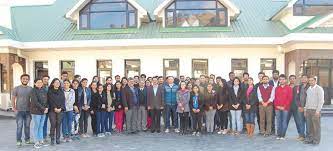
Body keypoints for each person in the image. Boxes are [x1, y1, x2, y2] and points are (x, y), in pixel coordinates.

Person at [12, 74, 33, 146]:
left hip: (28, 111)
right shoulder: (16, 88)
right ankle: (18, 140)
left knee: (27, 126)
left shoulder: (30, 89)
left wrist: (32, 109)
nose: (25, 80)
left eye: (26, 79)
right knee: (19, 126)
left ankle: (27, 140)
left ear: (28, 80)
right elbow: (13, 99)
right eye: (23, 79)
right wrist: (14, 108)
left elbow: (33, 100)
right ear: (21, 79)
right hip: (19, 111)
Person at [304, 76, 324, 145]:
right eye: (309, 80)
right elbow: (307, 100)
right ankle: (310, 139)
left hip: (315, 110)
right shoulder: (308, 89)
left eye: (312, 80)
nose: (310, 82)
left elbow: (321, 101)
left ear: (315, 81)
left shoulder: (319, 89)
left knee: (316, 127)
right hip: (308, 110)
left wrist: (318, 111)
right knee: (309, 126)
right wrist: (305, 110)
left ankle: (316, 140)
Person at [30, 78, 48, 149]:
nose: (40, 83)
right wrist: (43, 108)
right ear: (35, 83)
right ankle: (36, 141)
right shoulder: (33, 91)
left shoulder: (44, 90)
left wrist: (47, 108)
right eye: (38, 82)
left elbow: (47, 100)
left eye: (41, 82)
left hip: (44, 111)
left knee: (41, 126)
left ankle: (41, 140)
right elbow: (35, 101)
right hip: (36, 111)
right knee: (36, 126)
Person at [274, 74, 293, 140]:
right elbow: (275, 98)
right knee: (278, 121)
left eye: (283, 79)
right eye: (280, 79)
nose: (281, 81)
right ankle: (278, 135)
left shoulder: (289, 88)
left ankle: (283, 135)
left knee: (284, 121)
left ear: (285, 80)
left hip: (285, 108)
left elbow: (289, 98)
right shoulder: (277, 88)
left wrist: (284, 106)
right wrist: (277, 106)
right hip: (277, 108)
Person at [48, 78, 65, 145]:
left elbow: (63, 101)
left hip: (60, 110)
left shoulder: (61, 91)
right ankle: (52, 139)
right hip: (52, 110)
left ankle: (58, 139)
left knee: (58, 124)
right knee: (53, 124)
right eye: (56, 82)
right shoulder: (49, 91)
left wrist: (60, 108)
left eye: (58, 83)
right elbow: (50, 101)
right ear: (53, 83)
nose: (57, 83)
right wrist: (55, 108)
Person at [287, 75, 305, 141]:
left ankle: (301, 135)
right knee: (285, 121)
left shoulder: (299, 87)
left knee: (298, 121)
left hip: (296, 107)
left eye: (293, 79)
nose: (292, 80)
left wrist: (301, 106)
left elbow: (301, 97)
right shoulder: (287, 87)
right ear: (289, 80)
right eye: (291, 79)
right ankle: (282, 134)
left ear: (295, 79)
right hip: (288, 107)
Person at [295, 75, 309, 141]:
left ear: (307, 79)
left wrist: (305, 107)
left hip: (308, 108)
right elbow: (297, 97)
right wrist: (299, 106)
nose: (303, 79)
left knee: (308, 122)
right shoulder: (299, 87)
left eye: (305, 78)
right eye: (302, 78)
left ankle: (308, 136)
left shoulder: (309, 87)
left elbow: (310, 98)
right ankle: (301, 135)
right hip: (300, 108)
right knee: (301, 122)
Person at [41, 75, 50, 143]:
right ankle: (43, 137)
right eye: (45, 79)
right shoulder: (40, 87)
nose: (46, 81)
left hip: (49, 107)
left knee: (46, 123)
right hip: (43, 108)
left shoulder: (49, 87)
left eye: (47, 79)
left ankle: (45, 136)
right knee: (43, 123)